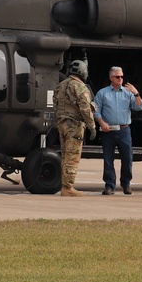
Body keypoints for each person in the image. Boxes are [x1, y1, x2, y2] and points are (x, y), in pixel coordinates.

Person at [93, 65, 142, 195]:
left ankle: (126, 184)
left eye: (121, 76)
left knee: (127, 158)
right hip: (108, 130)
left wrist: (136, 93)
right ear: (111, 78)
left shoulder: (128, 93)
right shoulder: (102, 93)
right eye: (117, 77)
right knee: (108, 159)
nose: (120, 79)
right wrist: (102, 123)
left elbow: (139, 107)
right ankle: (109, 185)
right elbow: (96, 110)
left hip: (124, 129)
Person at [52, 59, 96, 197]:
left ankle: (65, 185)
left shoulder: (61, 85)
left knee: (65, 155)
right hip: (75, 126)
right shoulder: (80, 87)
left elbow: (55, 104)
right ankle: (68, 187)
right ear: (83, 72)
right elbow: (85, 109)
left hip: (62, 124)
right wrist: (92, 126)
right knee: (72, 157)